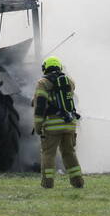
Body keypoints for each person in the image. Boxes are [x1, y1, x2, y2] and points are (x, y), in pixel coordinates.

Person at [32, 56, 83, 189]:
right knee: (69, 153)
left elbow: (40, 106)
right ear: (59, 67)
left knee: (48, 154)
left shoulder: (42, 83)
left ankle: (47, 184)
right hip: (70, 123)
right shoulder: (69, 81)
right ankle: (78, 182)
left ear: (45, 68)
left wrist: (38, 126)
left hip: (52, 125)